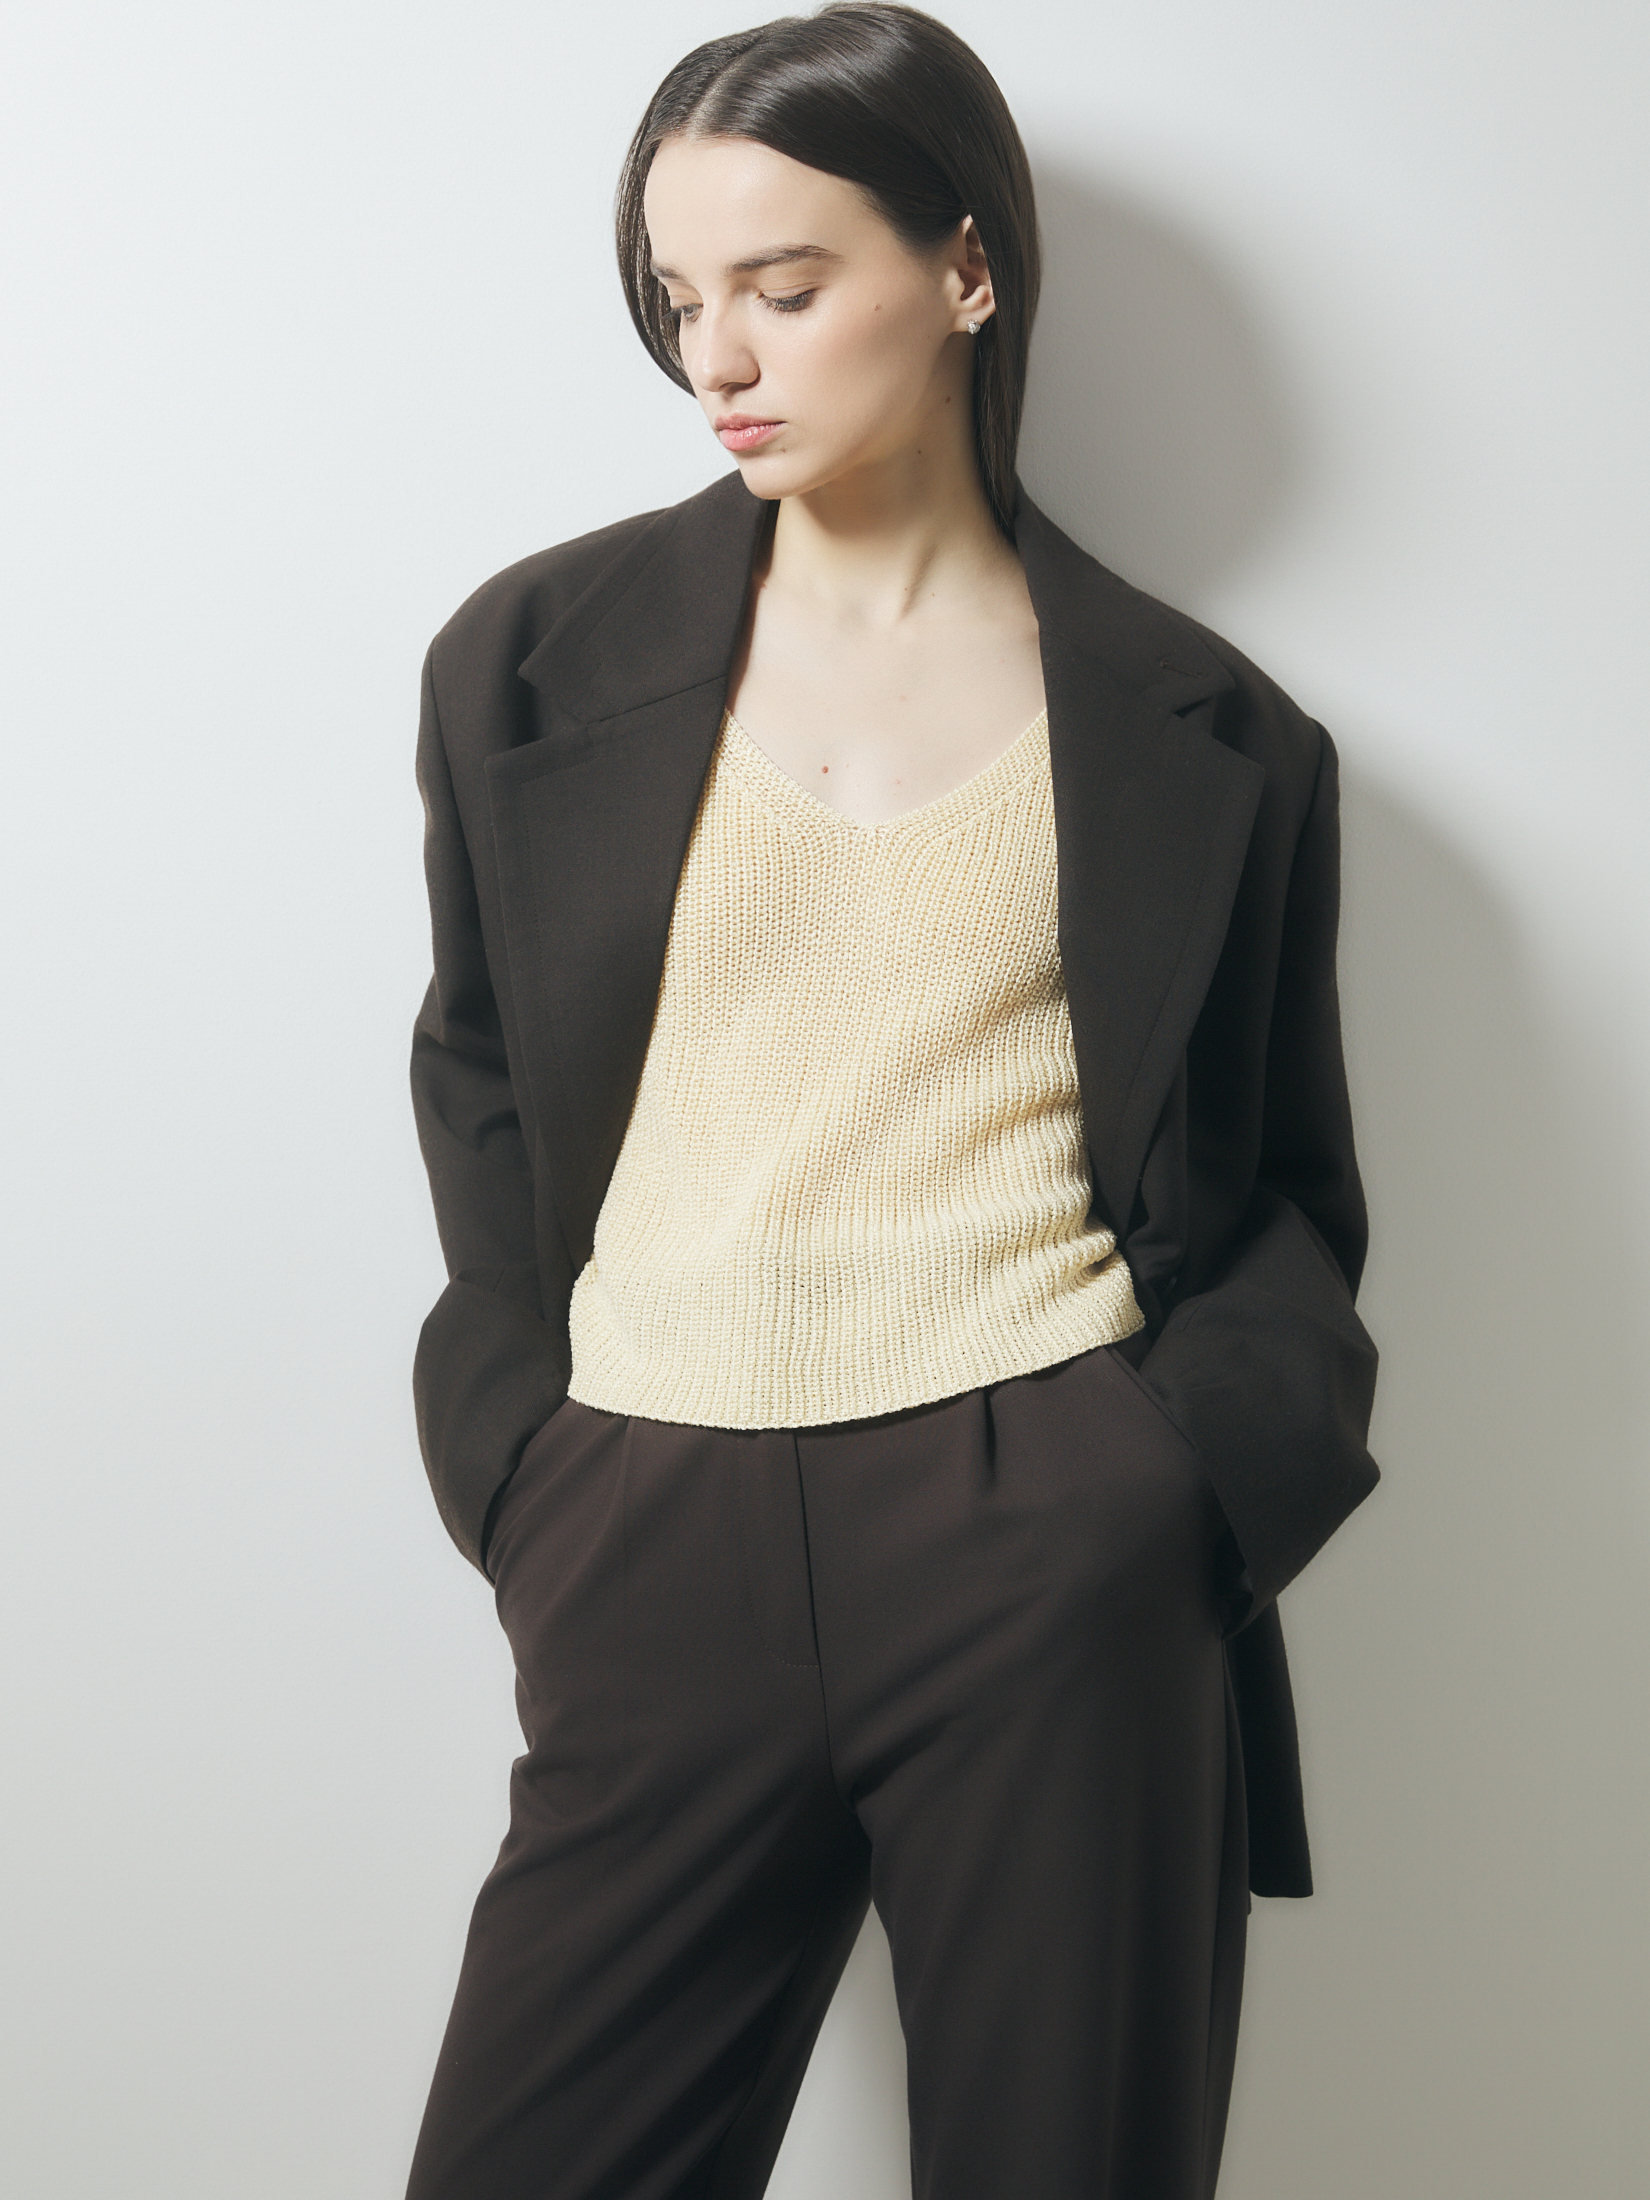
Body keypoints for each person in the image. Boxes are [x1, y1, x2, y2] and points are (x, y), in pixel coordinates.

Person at [402, 6, 1379, 2196]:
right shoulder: (526, 661)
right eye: (678, 297)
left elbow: (1283, 1186)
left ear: (964, 267)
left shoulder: (1210, 730)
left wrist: (1166, 1493)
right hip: (643, 1510)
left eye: (782, 283)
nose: (715, 357)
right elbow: (481, 1083)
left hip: (1050, 1526)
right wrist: (527, 1465)